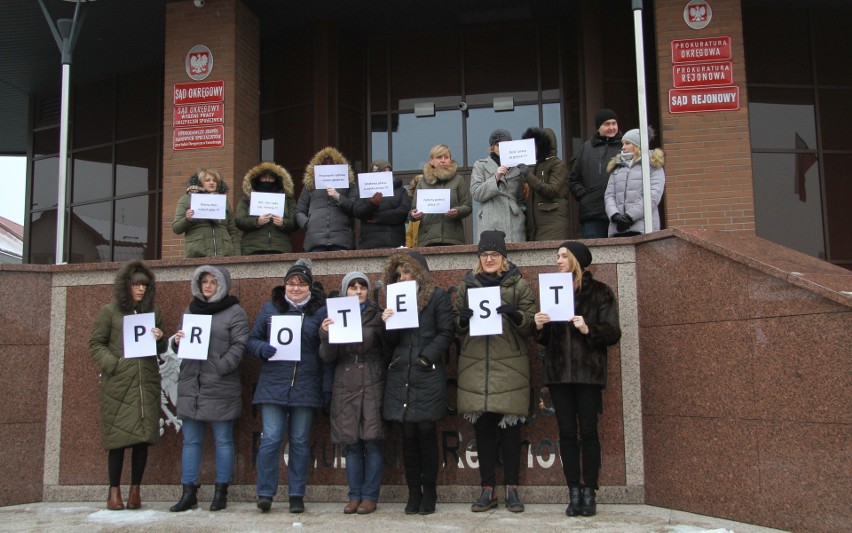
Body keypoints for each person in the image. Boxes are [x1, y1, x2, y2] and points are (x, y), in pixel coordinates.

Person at [533, 241, 621, 517]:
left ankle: (589, 491)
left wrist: (588, 328)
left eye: (563, 255)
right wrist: (539, 326)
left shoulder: (600, 292)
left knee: (589, 432)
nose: (558, 260)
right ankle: (573, 490)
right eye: (557, 256)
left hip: (588, 374)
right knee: (567, 434)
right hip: (559, 374)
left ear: (577, 260)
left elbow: (613, 332)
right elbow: (546, 339)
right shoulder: (552, 290)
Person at [453, 231, 536, 513]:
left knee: (511, 432)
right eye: (485, 255)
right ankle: (487, 489)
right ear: (479, 258)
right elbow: (455, 324)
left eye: (494, 255)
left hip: (510, 365)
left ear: (503, 257)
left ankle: (512, 489)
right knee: (484, 431)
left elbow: (532, 324)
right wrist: (461, 321)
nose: (489, 259)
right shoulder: (467, 285)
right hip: (476, 365)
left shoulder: (518, 284)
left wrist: (516, 315)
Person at [246, 259, 331, 513]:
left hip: (306, 384)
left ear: (310, 287)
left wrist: (326, 387)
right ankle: (265, 492)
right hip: (273, 385)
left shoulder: (320, 312)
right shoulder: (270, 309)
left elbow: (327, 351)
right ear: (284, 285)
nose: (295, 288)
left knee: (300, 442)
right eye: (291, 283)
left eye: (301, 284)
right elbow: (251, 340)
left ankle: (296, 493)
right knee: (271, 439)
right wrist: (262, 349)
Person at [169, 265, 249, 513]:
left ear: (222, 285)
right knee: (191, 441)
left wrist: (220, 366)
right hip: (192, 384)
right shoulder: (190, 309)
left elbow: (240, 345)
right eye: (204, 281)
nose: (207, 286)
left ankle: (220, 491)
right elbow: (182, 342)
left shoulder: (235, 311)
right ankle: (188, 491)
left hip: (220, 384)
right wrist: (176, 341)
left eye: (213, 282)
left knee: (223, 440)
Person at [88, 260, 166, 511]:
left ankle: (135, 491)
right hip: (119, 385)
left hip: (146, 384)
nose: (140, 290)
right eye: (135, 285)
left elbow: (162, 349)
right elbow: (95, 344)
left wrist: (160, 338)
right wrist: (115, 364)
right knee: (118, 441)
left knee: (142, 440)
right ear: (126, 286)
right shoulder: (109, 312)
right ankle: (114, 492)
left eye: (144, 285)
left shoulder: (153, 313)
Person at [381, 251, 454, 515]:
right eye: (399, 274)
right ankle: (413, 493)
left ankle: (430, 492)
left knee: (425, 433)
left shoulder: (437, 297)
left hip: (426, 371)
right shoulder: (394, 300)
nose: (403, 278)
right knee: (408, 436)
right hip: (402, 373)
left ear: (419, 273)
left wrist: (427, 357)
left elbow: (447, 331)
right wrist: (387, 323)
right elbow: (389, 345)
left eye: (408, 272)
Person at [319, 272, 388, 515]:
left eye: (362, 287)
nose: (358, 292)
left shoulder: (377, 315)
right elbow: (327, 357)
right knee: (351, 443)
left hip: (371, 379)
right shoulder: (335, 316)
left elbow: (388, 348)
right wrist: (326, 335)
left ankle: (370, 496)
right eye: (352, 287)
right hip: (345, 380)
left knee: (372, 441)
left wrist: (388, 324)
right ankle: (354, 495)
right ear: (344, 291)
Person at [568, 109, 623, 238]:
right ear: (598, 127)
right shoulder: (586, 148)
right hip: (592, 214)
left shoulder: (625, 147)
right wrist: (584, 196)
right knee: (594, 255)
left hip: (620, 213)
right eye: (606, 124)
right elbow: (573, 179)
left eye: (614, 123)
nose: (611, 127)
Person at [604, 128, 666, 237]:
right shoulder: (617, 166)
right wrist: (615, 216)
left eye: (627, 143)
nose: (623, 147)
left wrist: (630, 216)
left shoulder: (652, 166)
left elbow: (653, 196)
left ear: (638, 146)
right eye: (623, 144)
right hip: (617, 230)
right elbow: (609, 195)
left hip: (643, 229)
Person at [295, 147, 358, 252]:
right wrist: (308, 224)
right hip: (315, 240)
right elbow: (299, 211)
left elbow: (355, 208)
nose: (328, 165)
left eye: (331, 163)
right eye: (325, 163)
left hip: (341, 240)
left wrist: (338, 197)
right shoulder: (310, 185)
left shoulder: (348, 183)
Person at [408, 144, 472, 247]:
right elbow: (413, 210)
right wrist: (413, 215)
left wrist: (458, 211)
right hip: (427, 238)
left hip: (453, 237)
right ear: (431, 161)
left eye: (446, 157)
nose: (443, 160)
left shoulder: (458, 180)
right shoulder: (422, 182)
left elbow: (468, 207)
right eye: (439, 157)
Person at [470, 129, 526, 244]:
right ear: (492, 147)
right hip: (490, 219)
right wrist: (495, 178)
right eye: (498, 145)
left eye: (506, 144)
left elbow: (521, 197)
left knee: (515, 257)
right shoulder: (480, 165)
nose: (502, 148)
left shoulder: (518, 167)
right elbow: (476, 193)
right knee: (492, 255)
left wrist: (521, 213)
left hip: (513, 220)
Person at [172, 169, 240, 258]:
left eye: (214, 180)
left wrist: (237, 256)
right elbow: (176, 228)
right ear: (200, 183)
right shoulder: (187, 199)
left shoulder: (223, 202)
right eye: (208, 180)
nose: (212, 183)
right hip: (198, 254)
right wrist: (187, 219)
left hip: (224, 254)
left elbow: (232, 230)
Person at [521, 128, 571, 241]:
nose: (533, 149)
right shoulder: (536, 167)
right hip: (536, 229)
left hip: (553, 228)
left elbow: (552, 190)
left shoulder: (557, 165)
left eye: (535, 145)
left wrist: (528, 175)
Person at [236, 161, 297, 254]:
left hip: (280, 248)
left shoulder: (287, 199)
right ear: (257, 179)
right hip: (252, 249)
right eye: (264, 177)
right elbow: (239, 220)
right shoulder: (248, 198)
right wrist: (256, 221)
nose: (267, 180)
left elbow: (295, 222)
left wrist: (283, 223)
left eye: (271, 177)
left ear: (277, 179)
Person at [353, 160, 411, 249]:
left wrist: (378, 218)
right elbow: (357, 211)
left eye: (389, 170)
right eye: (384, 170)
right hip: (369, 244)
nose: (387, 172)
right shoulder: (364, 191)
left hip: (395, 243)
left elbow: (403, 212)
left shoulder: (400, 190)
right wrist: (372, 204)